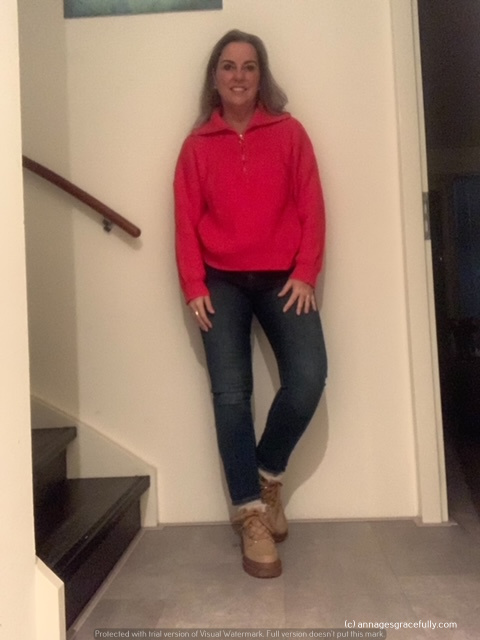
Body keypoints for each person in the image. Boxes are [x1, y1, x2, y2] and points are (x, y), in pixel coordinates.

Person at [174, 29, 327, 579]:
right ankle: (251, 515)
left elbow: (312, 205)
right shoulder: (197, 146)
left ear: (262, 76)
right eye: (228, 66)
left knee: (308, 378)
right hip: (220, 283)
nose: (238, 76)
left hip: (284, 278)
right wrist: (194, 283)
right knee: (232, 395)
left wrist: (306, 270)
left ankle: (266, 476)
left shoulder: (290, 133)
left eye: (248, 66)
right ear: (214, 78)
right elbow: (185, 219)